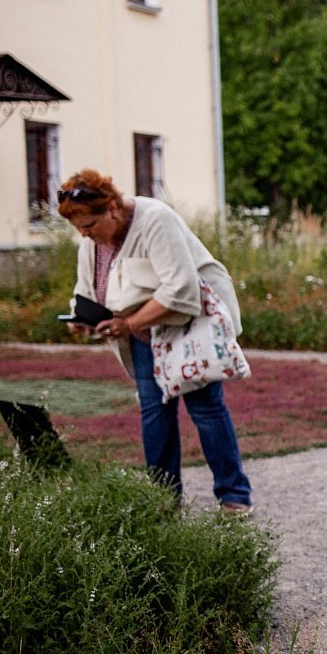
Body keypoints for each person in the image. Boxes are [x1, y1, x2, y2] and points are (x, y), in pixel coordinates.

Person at [57, 169, 253, 514]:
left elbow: (180, 290)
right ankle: (163, 500)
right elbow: (87, 289)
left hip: (189, 327)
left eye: (89, 226)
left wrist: (128, 323)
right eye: (79, 230)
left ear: (113, 209)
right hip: (143, 335)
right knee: (154, 413)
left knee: (205, 409)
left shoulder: (156, 221)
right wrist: (82, 318)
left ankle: (234, 497)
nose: (85, 236)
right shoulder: (93, 240)